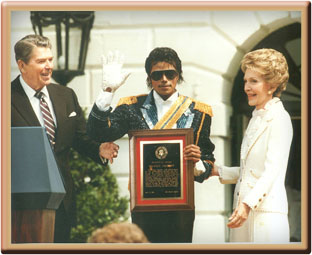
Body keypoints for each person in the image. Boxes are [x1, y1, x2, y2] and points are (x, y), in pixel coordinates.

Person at [87, 47, 215, 243]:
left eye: (170, 73)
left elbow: (208, 162)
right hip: (144, 202)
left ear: (178, 75)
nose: (164, 79)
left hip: (180, 204)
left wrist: (197, 162)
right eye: (157, 75)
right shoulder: (131, 107)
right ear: (149, 78)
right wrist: (108, 92)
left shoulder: (199, 112)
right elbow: (98, 133)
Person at [11, 34, 120, 243]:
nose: (48, 66)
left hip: (62, 202)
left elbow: (80, 137)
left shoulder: (65, 95)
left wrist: (99, 149)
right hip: (19, 206)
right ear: (22, 65)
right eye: (41, 61)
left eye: (50, 60)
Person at [211, 48, 293, 243]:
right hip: (244, 216)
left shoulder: (279, 118)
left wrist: (247, 205)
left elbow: (272, 170)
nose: (246, 87)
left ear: (271, 85)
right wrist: (218, 171)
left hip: (266, 218)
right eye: (246, 81)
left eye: (253, 81)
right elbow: (251, 171)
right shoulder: (256, 118)